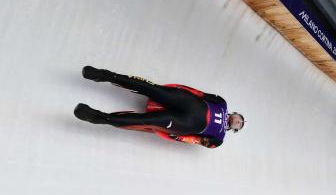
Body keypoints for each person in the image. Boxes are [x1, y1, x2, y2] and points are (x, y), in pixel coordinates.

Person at [74, 66, 244, 148]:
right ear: (235, 113)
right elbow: (199, 94)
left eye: (239, 125)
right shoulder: (222, 103)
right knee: (151, 89)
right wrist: (179, 89)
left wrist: (176, 137)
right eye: (240, 119)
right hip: (187, 101)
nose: (238, 122)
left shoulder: (219, 139)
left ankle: (99, 117)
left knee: (146, 120)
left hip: (185, 123)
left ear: (234, 130)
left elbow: (197, 140)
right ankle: (105, 75)